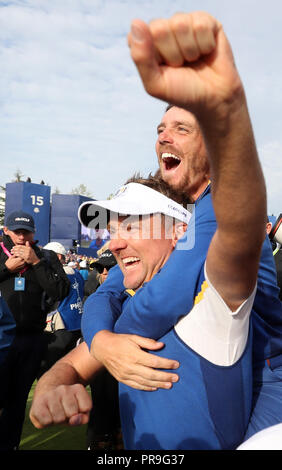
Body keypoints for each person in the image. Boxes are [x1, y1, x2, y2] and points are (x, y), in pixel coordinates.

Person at [30, 10, 267, 448]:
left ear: (181, 232)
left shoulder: (214, 291)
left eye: (133, 223)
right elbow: (98, 308)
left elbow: (241, 223)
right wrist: (53, 383)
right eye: (161, 128)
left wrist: (227, 110)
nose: (113, 240)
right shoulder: (127, 295)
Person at [0, 210, 70, 450]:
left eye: (26, 232)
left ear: (33, 233)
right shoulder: (0, 253)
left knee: (17, 401)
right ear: (6, 231)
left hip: (31, 339)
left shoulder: (47, 256)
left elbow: (61, 292)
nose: (21, 237)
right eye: (16, 231)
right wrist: (6, 269)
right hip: (0, 339)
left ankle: (10, 445)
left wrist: (36, 263)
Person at [85, 249, 120, 450]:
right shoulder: (93, 294)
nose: (105, 273)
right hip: (98, 364)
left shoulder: (138, 294)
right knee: (100, 406)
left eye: (110, 268)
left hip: (125, 371)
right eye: (101, 268)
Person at [38, 242, 84, 377]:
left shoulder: (58, 275)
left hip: (60, 324)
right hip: (76, 324)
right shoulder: (77, 273)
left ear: (57, 257)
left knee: (48, 372)